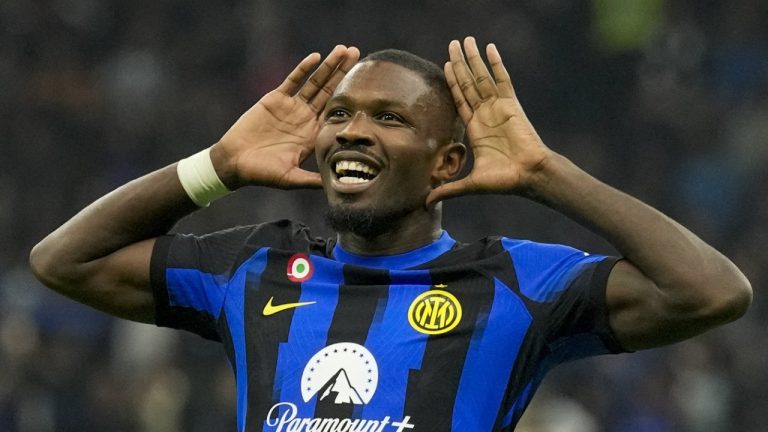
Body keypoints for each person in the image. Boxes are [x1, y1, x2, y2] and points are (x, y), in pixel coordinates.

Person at [30, 37, 752, 431]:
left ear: (447, 164)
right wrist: (214, 167)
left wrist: (546, 173)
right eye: (339, 115)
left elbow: (711, 292)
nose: (353, 132)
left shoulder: (517, 283)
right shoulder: (252, 266)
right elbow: (64, 261)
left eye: (390, 118)